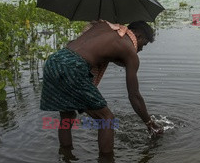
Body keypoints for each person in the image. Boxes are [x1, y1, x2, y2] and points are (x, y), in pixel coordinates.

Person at [40, 20, 163, 156]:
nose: (140, 49)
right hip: (73, 67)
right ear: (138, 36)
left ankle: (66, 160)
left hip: (54, 61)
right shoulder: (130, 52)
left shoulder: (105, 27)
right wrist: (149, 123)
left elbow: (95, 49)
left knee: (67, 116)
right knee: (107, 119)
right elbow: (134, 96)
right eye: (143, 44)